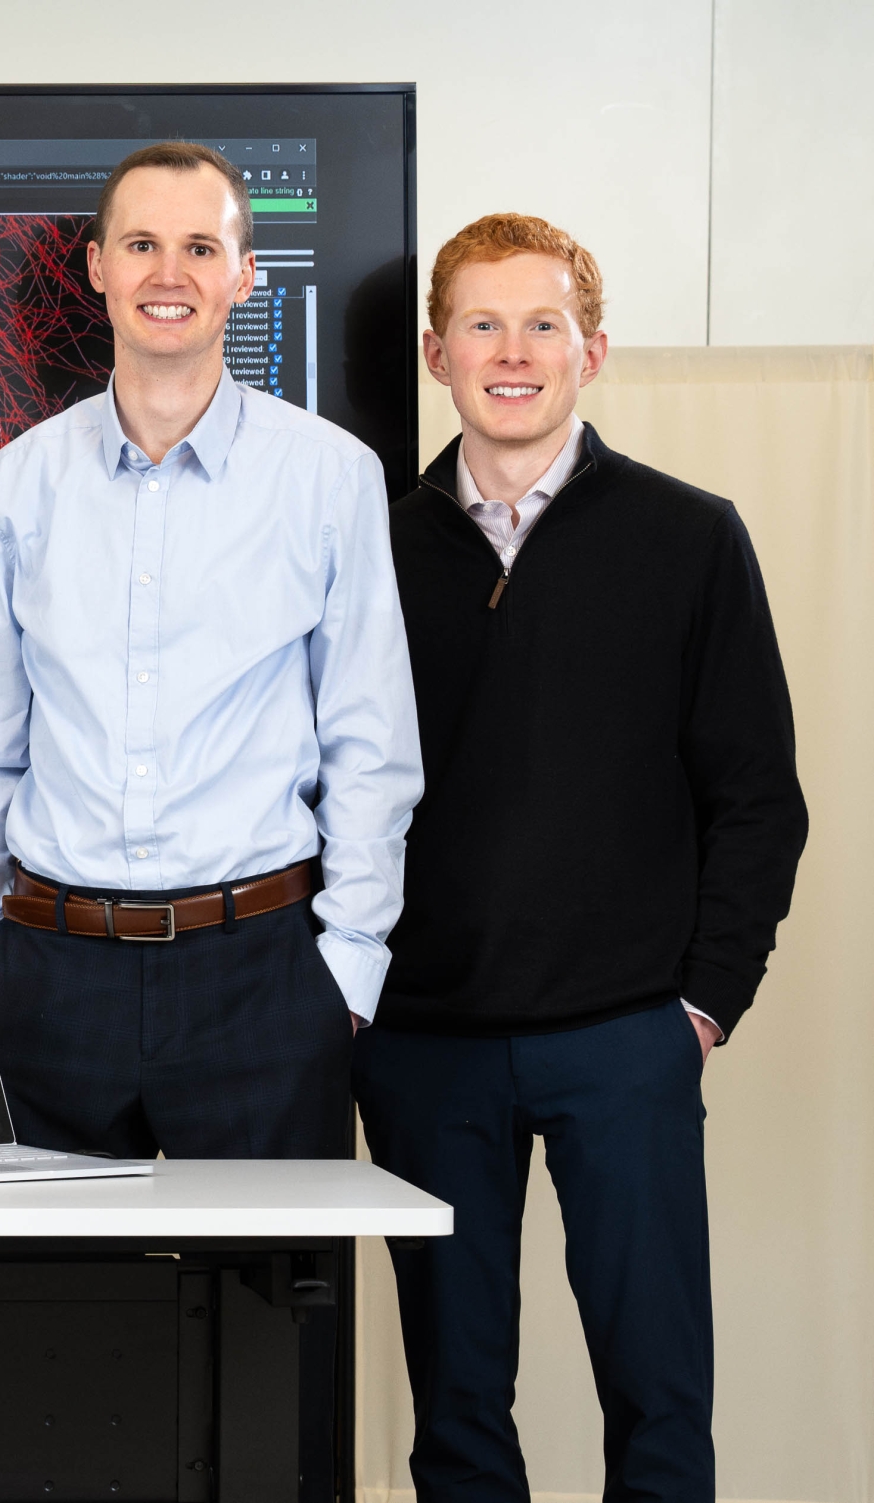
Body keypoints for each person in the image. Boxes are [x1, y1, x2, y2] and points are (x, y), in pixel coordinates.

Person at [358, 214, 808, 1503]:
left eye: (541, 324)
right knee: (452, 1410)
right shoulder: (367, 547)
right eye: (483, 326)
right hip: (422, 1040)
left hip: (627, 1038)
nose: (513, 353)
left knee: (660, 1400)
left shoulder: (688, 537)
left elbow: (757, 797)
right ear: (439, 352)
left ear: (592, 352)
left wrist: (703, 1004)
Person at [0, 141, 421, 1159]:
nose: (169, 274)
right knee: (44, 1317)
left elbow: (370, 745)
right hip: (46, 977)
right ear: (96, 268)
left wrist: (347, 963)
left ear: (245, 274)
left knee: (268, 1310)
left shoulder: (331, 478)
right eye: (142, 244)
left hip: (264, 979)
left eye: (201, 247)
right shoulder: (15, 486)